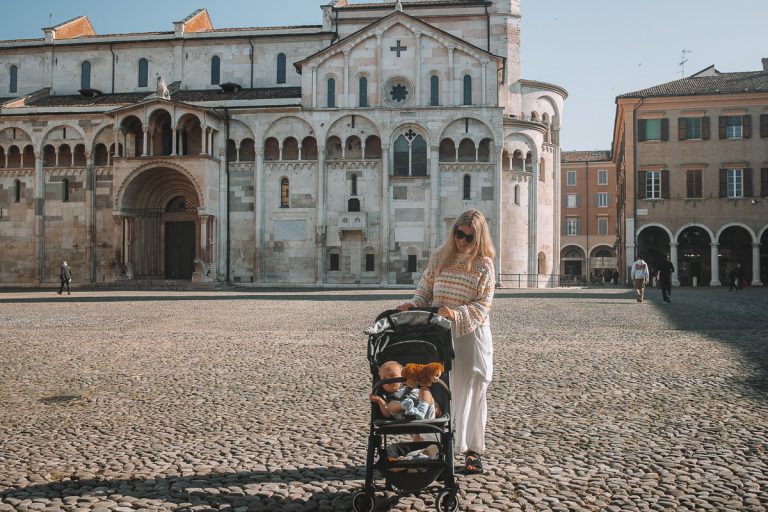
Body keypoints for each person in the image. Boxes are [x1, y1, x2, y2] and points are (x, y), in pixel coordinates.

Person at [396, 209, 495, 475]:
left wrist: (457, 314)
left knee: (473, 391)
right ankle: (437, 445)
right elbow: (424, 291)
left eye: (469, 237)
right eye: (458, 234)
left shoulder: (484, 264)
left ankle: (473, 451)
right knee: (440, 389)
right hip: (440, 334)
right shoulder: (440, 258)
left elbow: (483, 304)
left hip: (471, 336)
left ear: (479, 238)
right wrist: (412, 305)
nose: (462, 240)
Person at [369, 361, 437, 420]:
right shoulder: (388, 398)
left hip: (425, 414)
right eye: (384, 379)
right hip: (404, 417)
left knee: (425, 390)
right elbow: (387, 414)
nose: (388, 380)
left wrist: (436, 406)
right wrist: (380, 401)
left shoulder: (412, 385)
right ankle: (404, 405)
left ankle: (421, 410)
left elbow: (429, 398)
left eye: (392, 375)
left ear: (403, 376)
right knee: (391, 405)